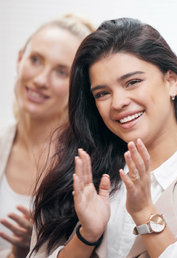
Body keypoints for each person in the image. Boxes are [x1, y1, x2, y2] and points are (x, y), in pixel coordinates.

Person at [29, 17, 177, 257]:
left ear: (171, 81)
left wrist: (145, 214)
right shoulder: (79, 176)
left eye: (132, 82)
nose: (118, 103)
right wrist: (87, 235)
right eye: (102, 93)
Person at [0, 14, 94, 258]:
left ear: (78, 86)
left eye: (61, 72)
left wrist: (36, 245)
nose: (41, 80)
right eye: (35, 60)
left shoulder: (86, 166)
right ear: (20, 59)